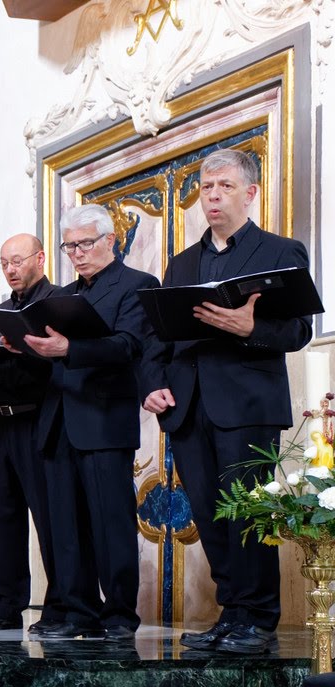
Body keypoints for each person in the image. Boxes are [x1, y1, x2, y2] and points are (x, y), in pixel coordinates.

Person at [145, 150, 313, 655]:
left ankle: (258, 619)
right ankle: (230, 613)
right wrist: (152, 383)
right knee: (210, 516)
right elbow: (158, 338)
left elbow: (300, 329)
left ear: (251, 192)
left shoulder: (280, 251)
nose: (212, 195)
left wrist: (251, 328)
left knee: (246, 514)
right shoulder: (181, 263)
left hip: (245, 405)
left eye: (223, 186)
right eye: (206, 187)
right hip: (188, 406)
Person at [26, 203, 159, 641]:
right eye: (70, 246)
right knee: (65, 525)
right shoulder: (61, 295)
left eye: (85, 243)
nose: (77, 253)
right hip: (58, 418)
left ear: (110, 240)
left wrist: (69, 350)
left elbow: (127, 346)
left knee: (110, 522)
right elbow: (49, 353)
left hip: (102, 418)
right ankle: (77, 612)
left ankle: (119, 615)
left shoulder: (137, 285)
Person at [0, 234, 67, 633]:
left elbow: (47, 369)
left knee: (49, 518)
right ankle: (6, 606)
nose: (11, 269)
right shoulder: (1, 311)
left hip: (38, 419)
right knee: (2, 518)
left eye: (17, 261)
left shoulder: (56, 305)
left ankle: (58, 607)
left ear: (40, 258)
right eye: (3, 263)